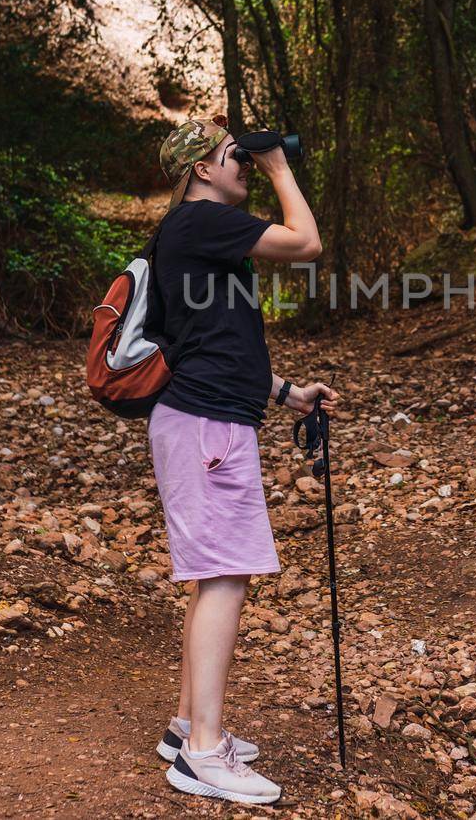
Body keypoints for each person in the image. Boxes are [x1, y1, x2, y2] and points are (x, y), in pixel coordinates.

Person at [147, 114, 338, 804]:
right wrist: (282, 170)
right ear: (202, 169)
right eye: (236, 157)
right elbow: (307, 240)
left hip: (204, 417)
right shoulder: (201, 222)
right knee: (226, 575)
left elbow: (214, 339)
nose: (246, 166)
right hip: (206, 427)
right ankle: (202, 751)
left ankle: (184, 726)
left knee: (216, 575)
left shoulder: (191, 235)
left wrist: (287, 391)